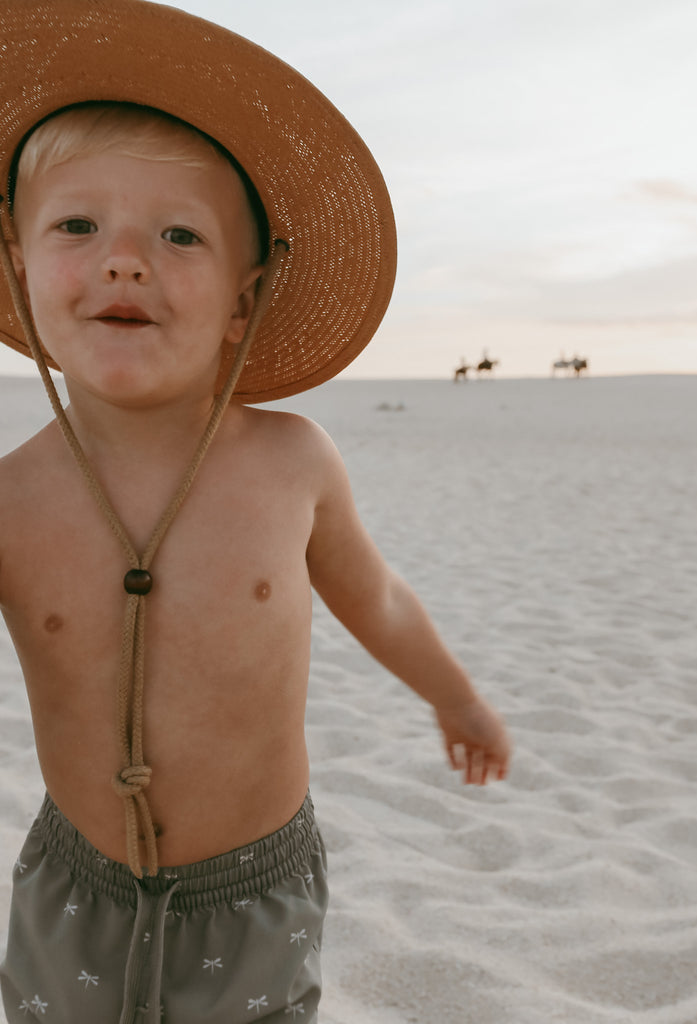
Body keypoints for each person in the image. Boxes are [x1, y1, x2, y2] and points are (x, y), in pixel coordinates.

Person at [0, 3, 511, 1021]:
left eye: (179, 233)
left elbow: (382, 598)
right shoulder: (10, 497)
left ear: (245, 296)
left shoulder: (290, 462)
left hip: (252, 892)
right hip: (77, 884)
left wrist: (453, 697)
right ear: (17, 263)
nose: (123, 258)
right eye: (76, 225)